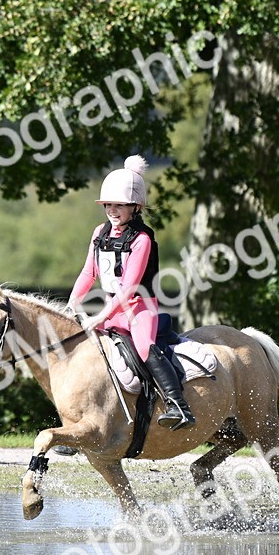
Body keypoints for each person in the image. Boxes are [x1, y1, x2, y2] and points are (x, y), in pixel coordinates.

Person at [68, 155, 195, 430]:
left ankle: (178, 406)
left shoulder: (142, 239)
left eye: (120, 205)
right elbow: (89, 273)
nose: (112, 210)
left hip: (138, 309)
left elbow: (128, 290)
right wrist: (72, 302)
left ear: (135, 206)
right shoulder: (98, 233)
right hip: (110, 307)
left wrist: (98, 316)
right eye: (108, 205)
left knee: (144, 348)